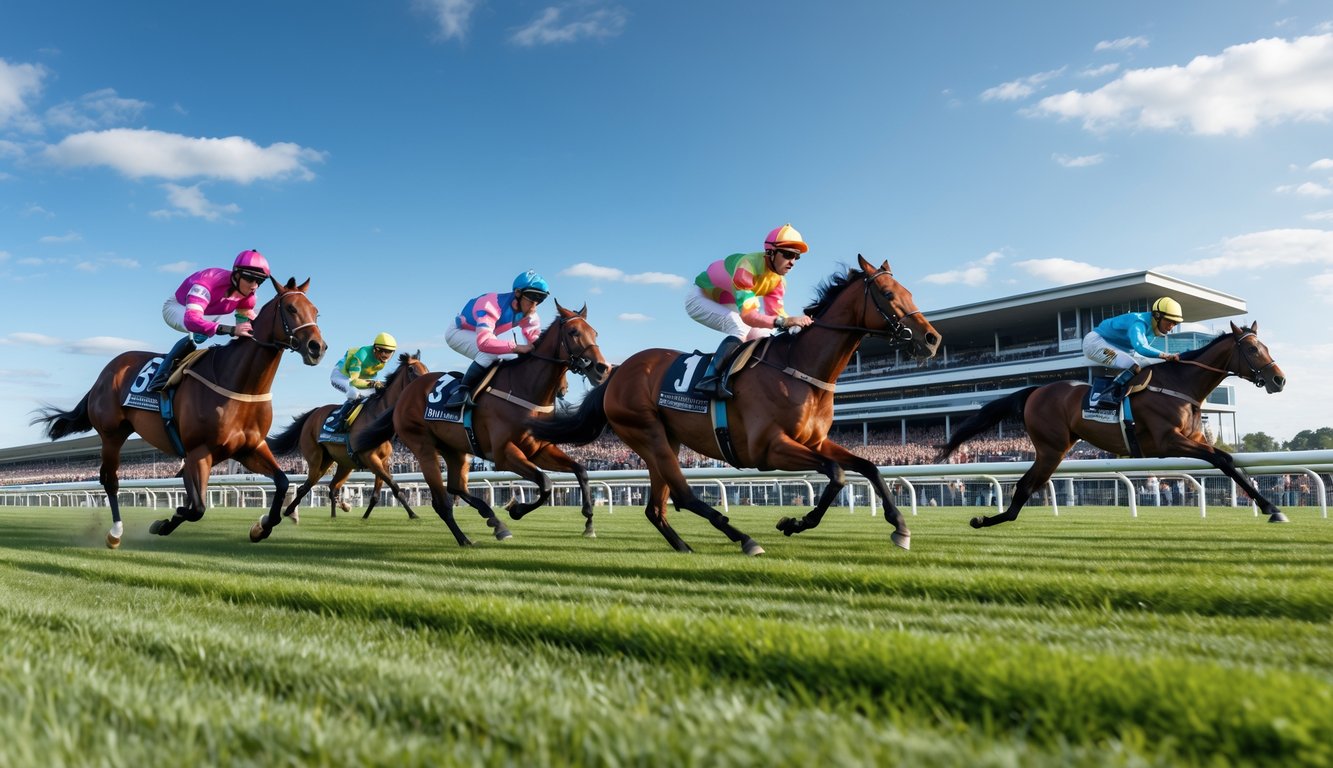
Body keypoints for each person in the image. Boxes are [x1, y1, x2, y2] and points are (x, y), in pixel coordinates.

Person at [686, 223, 815, 399]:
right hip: (701, 297)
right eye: (787, 254)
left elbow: (775, 315)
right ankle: (710, 379)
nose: (792, 261)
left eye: (796, 257)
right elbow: (748, 317)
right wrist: (786, 321)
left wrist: (798, 326)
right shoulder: (747, 267)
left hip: (728, 301)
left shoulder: (778, 281)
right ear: (770, 252)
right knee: (739, 326)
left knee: (763, 334)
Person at [146, 249, 270, 392]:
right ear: (236, 274)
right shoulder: (207, 282)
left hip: (208, 312)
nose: (254, 286)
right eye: (250, 279)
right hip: (178, 308)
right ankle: (161, 375)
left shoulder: (249, 297)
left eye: (259, 281)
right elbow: (192, 321)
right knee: (198, 332)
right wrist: (230, 330)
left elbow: (247, 325)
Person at [443, 270, 548, 408]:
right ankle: (462, 392)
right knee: (490, 353)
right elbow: (484, 343)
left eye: (540, 299)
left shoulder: (529, 313)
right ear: (518, 293)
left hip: (483, 333)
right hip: (458, 332)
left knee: (512, 357)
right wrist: (517, 347)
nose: (535, 305)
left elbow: (534, 340)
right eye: (532, 298)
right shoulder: (491, 305)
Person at [1082, 297, 1183, 410]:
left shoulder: (1153, 327)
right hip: (1095, 343)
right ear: (1158, 316)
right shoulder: (1138, 322)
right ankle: (1105, 397)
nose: (1171, 326)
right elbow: (1141, 347)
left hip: (1116, 347)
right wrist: (1166, 355)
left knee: (1147, 366)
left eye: (1175, 323)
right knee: (1134, 366)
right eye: (1169, 321)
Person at [323, 332, 398, 433]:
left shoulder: (381, 362)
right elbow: (354, 382)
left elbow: (370, 381)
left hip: (358, 379)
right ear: (375, 349)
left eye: (389, 352)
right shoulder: (361, 355)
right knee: (354, 394)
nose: (386, 356)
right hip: (341, 376)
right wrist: (374, 384)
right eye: (383, 351)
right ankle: (339, 422)